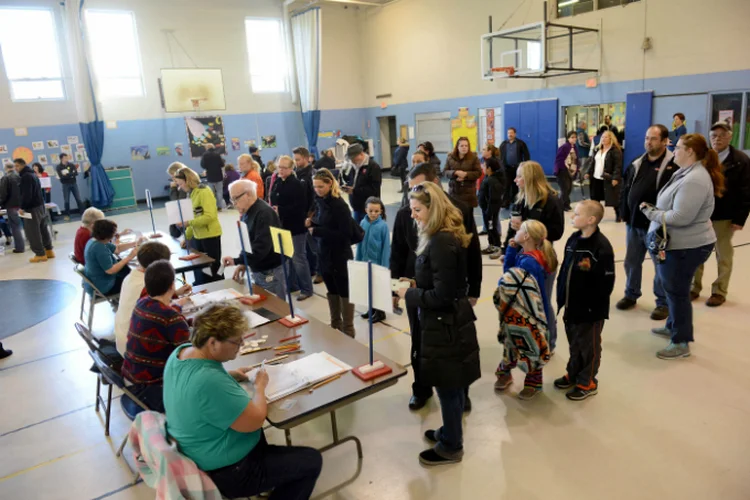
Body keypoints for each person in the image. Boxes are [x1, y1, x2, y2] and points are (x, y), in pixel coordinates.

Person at [162, 303, 322, 499]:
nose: (241, 346)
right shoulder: (209, 381)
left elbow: (197, 383)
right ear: (213, 343)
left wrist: (231, 375)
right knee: (312, 461)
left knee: (266, 441)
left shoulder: (181, 353)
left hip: (196, 449)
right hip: (228, 472)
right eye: (237, 342)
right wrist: (260, 387)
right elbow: (255, 420)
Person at [396, 181, 480, 466]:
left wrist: (411, 294)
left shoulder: (442, 241)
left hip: (447, 325)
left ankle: (451, 446)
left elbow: (443, 295)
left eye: (417, 210)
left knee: (448, 388)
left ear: (433, 209)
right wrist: (417, 283)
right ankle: (450, 431)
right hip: (446, 322)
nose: (413, 215)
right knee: (451, 386)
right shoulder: (439, 236)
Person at [641, 134, 724, 359]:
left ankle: (681, 341)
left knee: (677, 292)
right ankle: (673, 326)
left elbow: (681, 216)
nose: (673, 150)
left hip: (687, 247)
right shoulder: (685, 172)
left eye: (677, 147)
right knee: (673, 288)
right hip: (679, 244)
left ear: (689, 151)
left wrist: (651, 213)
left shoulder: (695, 179)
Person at [554, 200, 615, 400]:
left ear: (591, 220)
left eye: (577, 214)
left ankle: (587, 381)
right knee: (575, 343)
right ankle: (573, 372)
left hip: (590, 311)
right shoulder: (573, 239)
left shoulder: (601, 247)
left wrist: (592, 308)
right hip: (571, 306)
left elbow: (606, 283)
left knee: (589, 347)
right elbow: (565, 271)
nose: (572, 216)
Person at [617, 125, 676, 320]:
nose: (648, 142)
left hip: (659, 227)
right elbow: (626, 189)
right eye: (646, 138)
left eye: (653, 139)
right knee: (632, 262)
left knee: (661, 265)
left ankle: (662, 302)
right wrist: (624, 212)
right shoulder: (636, 163)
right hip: (634, 224)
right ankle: (631, 294)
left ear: (664, 141)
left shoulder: (673, 165)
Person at [494, 219, 556, 400]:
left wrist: (510, 254)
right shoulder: (529, 255)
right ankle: (505, 374)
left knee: (526, 348)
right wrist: (512, 250)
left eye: (520, 229)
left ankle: (532, 383)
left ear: (527, 236)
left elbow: (509, 278)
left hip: (525, 313)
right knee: (515, 346)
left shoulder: (529, 262)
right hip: (524, 310)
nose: (516, 230)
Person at [504, 161, 564, 350]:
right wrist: (509, 245)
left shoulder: (551, 201)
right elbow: (512, 228)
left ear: (530, 178)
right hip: (521, 256)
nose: (515, 180)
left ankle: (549, 342)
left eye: (520, 176)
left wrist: (531, 229)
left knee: (542, 300)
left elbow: (557, 231)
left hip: (541, 257)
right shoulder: (520, 199)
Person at [691, 122, 750, 307]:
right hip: (701, 215)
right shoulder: (702, 158)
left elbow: (746, 191)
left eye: (722, 135)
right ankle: (694, 287)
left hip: (725, 216)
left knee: (723, 255)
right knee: (696, 253)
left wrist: (740, 219)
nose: (718, 139)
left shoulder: (740, 160)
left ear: (730, 137)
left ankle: (719, 291)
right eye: (714, 135)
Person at [121, 260, 191, 414]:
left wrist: (178, 307)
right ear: (172, 285)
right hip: (155, 389)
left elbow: (165, 315)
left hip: (130, 380)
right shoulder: (172, 319)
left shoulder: (142, 302)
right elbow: (190, 359)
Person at [308, 168, 355, 336]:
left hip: (340, 255)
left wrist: (318, 231)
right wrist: (312, 222)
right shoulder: (320, 201)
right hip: (324, 253)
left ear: (329, 184)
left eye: (320, 186)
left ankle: (348, 329)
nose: (317, 190)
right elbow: (322, 222)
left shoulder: (339, 205)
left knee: (344, 291)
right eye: (315, 186)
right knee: (331, 290)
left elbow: (346, 234)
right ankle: (335, 323)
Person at [114, 241, 183, 355]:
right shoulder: (146, 286)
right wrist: (178, 304)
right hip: (135, 347)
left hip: (123, 338)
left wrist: (176, 293)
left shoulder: (132, 276)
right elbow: (164, 314)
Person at [221, 180, 286, 298]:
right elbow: (247, 241)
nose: (234, 203)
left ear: (249, 194)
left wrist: (237, 260)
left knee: (274, 309)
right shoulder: (247, 211)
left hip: (269, 269)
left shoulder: (264, 213)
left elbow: (261, 248)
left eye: (236, 198)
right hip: (258, 267)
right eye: (232, 199)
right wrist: (243, 263)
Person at [269, 155, 313, 301]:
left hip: (295, 226)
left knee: (298, 258)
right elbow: (273, 197)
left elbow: (299, 207)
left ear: (291, 168)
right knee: (288, 257)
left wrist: (280, 210)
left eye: (284, 167)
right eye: (279, 167)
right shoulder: (278, 182)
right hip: (283, 225)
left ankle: (306, 288)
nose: (280, 170)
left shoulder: (296, 184)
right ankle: (293, 284)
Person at [173, 166, 224, 285]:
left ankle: (218, 285)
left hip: (210, 236)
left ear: (188, 180)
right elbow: (194, 217)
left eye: (181, 184)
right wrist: (187, 236)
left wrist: (188, 223)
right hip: (198, 236)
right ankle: (202, 284)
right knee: (200, 267)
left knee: (213, 267)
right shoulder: (191, 193)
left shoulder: (204, 191)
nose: (180, 187)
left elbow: (209, 216)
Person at [355, 196, 390, 323]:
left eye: (376, 211)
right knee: (368, 288)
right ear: (365, 210)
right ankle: (372, 309)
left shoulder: (383, 226)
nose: (373, 214)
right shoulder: (363, 223)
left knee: (377, 289)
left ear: (381, 211)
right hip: (365, 262)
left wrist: (384, 266)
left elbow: (386, 247)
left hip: (377, 264)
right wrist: (358, 260)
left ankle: (380, 312)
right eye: (371, 211)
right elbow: (360, 244)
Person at [15, 159, 54, 263]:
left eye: (17, 166)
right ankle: (49, 250)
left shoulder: (25, 177)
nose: (15, 168)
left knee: (32, 232)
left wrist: (22, 207)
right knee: (43, 229)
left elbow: (27, 194)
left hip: (31, 208)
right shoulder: (33, 174)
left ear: (22, 165)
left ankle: (40, 254)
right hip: (40, 206)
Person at [293, 146, 321, 283]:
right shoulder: (296, 173)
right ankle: (311, 269)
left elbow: (315, 197)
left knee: (315, 244)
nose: (296, 162)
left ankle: (320, 271)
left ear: (305, 158)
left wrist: (310, 215)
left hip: (311, 215)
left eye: (298, 159)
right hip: (299, 215)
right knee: (306, 246)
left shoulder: (312, 174)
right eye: (295, 159)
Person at [84, 219, 134, 295]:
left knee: (128, 270)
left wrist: (135, 243)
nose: (115, 235)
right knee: (135, 280)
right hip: (104, 286)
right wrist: (129, 257)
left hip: (96, 281)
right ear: (107, 235)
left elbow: (117, 249)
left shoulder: (95, 240)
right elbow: (110, 270)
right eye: (113, 234)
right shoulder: (98, 248)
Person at [341, 143, 382, 224]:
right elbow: (351, 181)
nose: (352, 160)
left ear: (361, 154)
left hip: (369, 209)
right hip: (356, 207)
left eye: (354, 157)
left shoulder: (373, 167)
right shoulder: (353, 166)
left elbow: (374, 189)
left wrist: (355, 191)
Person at [588, 130, 623, 222]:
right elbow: (592, 162)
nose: (603, 139)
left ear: (611, 139)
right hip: (596, 178)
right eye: (602, 137)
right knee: (595, 199)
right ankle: (595, 215)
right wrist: (588, 173)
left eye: (606, 137)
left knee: (613, 198)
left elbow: (618, 166)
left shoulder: (615, 150)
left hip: (607, 178)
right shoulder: (597, 149)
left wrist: (615, 178)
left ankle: (618, 214)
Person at [478, 156, 505, 258]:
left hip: (490, 211)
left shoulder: (493, 181)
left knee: (492, 228)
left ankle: (496, 246)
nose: (482, 167)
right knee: (490, 228)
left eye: (484, 166)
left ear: (489, 168)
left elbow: (493, 199)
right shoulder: (488, 178)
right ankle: (492, 244)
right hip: (487, 210)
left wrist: (489, 211)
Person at [444, 137, 481, 209]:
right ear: (457, 147)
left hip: (468, 193)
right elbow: (445, 172)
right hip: (454, 192)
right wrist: (455, 173)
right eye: (462, 146)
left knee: (468, 217)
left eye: (466, 146)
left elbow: (478, 172)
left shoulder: (474, 158)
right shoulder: (450, 157)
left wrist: (466, 175)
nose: (464, 148)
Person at [498, 127, 530, 207]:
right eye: (508, 133)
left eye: (511, 133)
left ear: (515, 134)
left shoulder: (521, 143)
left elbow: (526, 155)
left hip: (517, 168)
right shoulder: (503, 144)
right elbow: (500, 155)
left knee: (516, 185)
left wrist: (525, 165)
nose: (510, 134)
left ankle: (515, 200)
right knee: (506, 185)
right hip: (506, 168)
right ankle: (506, 201)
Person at [0, 162, 24, 254]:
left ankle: (19, 247)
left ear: (5, 168)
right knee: (25, 225)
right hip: (21, 205)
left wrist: (1, 204)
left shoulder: (5, 178)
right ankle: (29, 242)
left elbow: (3, 193)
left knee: (15, 226)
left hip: (11, 205)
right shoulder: (19, 177)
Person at [554, 131, 578, 211]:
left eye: (575, 137)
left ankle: (564, 204)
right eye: (572, 137)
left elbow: (576, 159)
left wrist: (577, 168)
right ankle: (564, 205)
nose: (574, 139)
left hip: (571, 171)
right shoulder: (564, 147)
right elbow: (559, 159)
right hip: (563, 171)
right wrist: (562, 169)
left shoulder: (574, 147)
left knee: (569, 188)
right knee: (565, 188)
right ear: (568, 138)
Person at [55, 153, 82, 220]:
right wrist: (71, 175)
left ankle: (82, 213)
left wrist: (67, 174)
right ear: (62, 158)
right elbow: (61, 177)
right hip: (65, 185)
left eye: (67, 157)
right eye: (65, 158)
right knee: (66, 200)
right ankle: (67, 215)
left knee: (78, 199)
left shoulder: (71, 165)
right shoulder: (59, 167)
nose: (67, 159)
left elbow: (76, 173)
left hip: (73, 183)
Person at [200, 144, 226, 210]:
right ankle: (219, 206)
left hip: (210, 176)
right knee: (219, 191)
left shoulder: (205, 155)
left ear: (206, 148)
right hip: (218, 175)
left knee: (211, 192)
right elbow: (222, 164)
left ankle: (213, 206)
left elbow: (202, 165)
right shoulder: (217, 154)